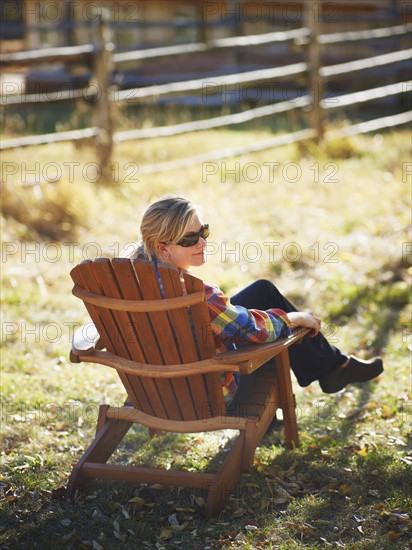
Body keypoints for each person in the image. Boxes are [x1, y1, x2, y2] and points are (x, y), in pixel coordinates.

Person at [131, 195, 383, 410]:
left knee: (262, 291)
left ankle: (335, 368)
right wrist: (296, 318)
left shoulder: (128, 282)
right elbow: (254, 330)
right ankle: (334, 369)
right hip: (206, 394)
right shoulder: (196, 294)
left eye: (203, 231)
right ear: (163, 248)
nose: (202, 242)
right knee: (270, 330)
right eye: (189, 239)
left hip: (153, 389)